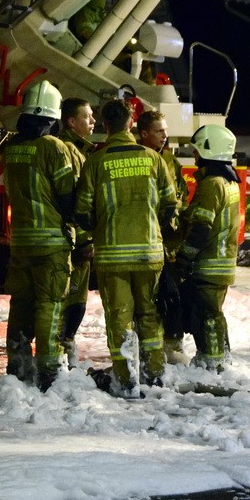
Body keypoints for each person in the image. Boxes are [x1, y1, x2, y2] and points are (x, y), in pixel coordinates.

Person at [75, 100, 179, 397]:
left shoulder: (96, 162)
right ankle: (155, 376)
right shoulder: (153, 159)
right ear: (132, 123)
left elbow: (82, 211)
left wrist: (100, 230)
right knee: (149, 316)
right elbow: (171, 204)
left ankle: (127, 379)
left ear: (106, 125)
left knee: (120, 318)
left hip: (112, 257)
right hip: (149, 255)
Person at [2, 80, 77, 391]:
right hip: (51, 244)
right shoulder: (54, 148)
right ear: (53, 116)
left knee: (21, 303)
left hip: (21, 241)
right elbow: (68, 197)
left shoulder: (11, 149)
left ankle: (17, 364)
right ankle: (49, 370)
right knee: (49, 304)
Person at [172, 124, 241, 372]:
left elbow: (201, 228)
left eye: (197, 150)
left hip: (209, 265)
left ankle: (212, 365)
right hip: (222, 263)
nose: (194, 155)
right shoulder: (229, 182)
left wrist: (182, 260)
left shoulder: (212, 184)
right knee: (214, 313)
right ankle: (221, 359)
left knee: (206, 316)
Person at [137, 110, 190, 363]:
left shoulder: (170, 161)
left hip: (168, 243)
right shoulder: (137, 158)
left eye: (165, 130)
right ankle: (149, 348)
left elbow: (181, 195)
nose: (165, 136)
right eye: (159, 131)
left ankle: (172, 345)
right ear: (144, 134)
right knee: (147, 300)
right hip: (145, 241)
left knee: (172, 296)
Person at [56, 97, 97, 366]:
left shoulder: (78, 150)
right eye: (87, 117)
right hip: (72, 242)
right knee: (70, 298)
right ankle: (62, 348)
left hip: (72, 239)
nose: (93, 122)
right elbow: (74, 202)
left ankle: (64, 346)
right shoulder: (71, 151)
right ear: (72, 121)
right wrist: (84, 239)